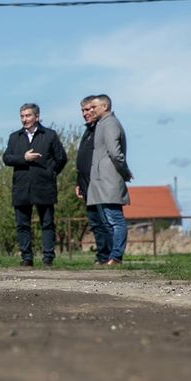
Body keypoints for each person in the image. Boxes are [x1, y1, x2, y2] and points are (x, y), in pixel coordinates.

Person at [2, 103, 68, 267]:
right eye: (22, 116)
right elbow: (7, 158)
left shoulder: (50, 135)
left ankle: (48, 258)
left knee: (47, 223)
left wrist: (51, 173)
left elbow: (61, 158)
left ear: (37, 117)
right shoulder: (14, 137)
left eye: (28, 116)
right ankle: (26, 258)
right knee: (22, 224)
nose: (25, 119)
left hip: (44, 186)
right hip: (22, 187)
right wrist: (23, 158)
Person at [86, 94, 133, 265]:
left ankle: (116, 256)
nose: (92, 110)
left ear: (105, 106)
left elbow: (115, 152)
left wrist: (125, 171)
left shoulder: (111, 123)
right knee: (106, 221)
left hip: (109, 179)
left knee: (115, 219)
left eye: (95, 107)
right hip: (101, 181)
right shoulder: (101, 124)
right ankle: (110, 256)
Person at [74, 95, 112, 265]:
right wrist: (78, 182)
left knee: (105, 221)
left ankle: (111, 256)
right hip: (86, 184)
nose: (85, 113)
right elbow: (82, 158)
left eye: (89, 109)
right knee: (95, 222)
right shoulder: (88, 130)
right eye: (83, 110)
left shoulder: (102, 128)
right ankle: (102, 255)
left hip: (100, 182)